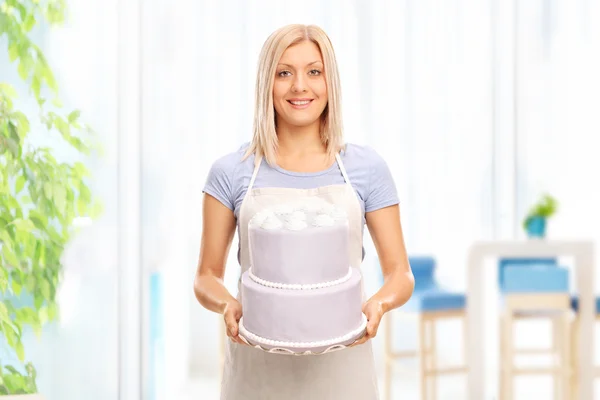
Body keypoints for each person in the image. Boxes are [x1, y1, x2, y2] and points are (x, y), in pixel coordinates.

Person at [194, 23, 414, 400]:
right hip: (256, 371)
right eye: (284, 73)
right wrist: (228, 304)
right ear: (267, 83)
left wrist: (377, 304)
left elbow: (401, 274)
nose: (300, 86)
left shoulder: (366, 169)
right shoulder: (231, 171)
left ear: (331, 83)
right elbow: (205, 277)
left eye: (314, 71)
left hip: (343, 370)